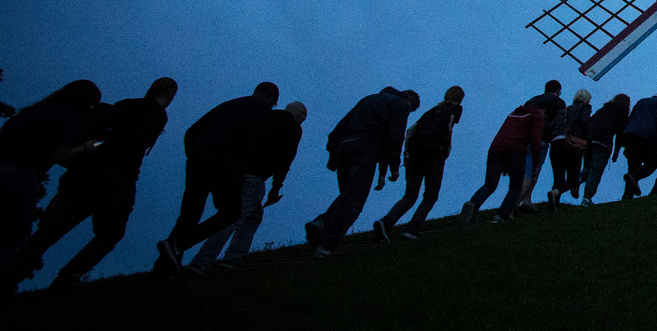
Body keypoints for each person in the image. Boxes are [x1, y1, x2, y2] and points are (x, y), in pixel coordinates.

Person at [158, 81, 278, 274]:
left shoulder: (228, 105)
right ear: (271, 98)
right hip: (225, 161)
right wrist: (239, 160)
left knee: (189, 215)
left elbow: (192, 131)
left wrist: (195, 153)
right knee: (231, 212)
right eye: (274, 104)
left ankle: (164, 269)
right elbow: (249, 133)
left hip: (198, 159)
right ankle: (178, 244)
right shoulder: (261, 107)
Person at [0, 80, 103, 290]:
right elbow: (61, 155)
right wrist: (86, 147)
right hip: (21, 177)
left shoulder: (29, 113)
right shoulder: (69, 115)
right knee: (10, 238)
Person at [188, 100, 305, 272]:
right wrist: (275, 188)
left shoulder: (263, 117)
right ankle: (201, 261)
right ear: (299, 115)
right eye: (304, 117)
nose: (303, 121)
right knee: (234, 217)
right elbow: (286, 159)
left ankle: (234, 257)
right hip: (254, 177)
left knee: (254, 216)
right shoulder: (292, 127)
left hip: (236, 171)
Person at [305, 86, 418, 256]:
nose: (408, 113)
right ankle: (327, 245)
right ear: (408, 101)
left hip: (344, 146)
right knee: (353, 202)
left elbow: (340, 126)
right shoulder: (400, 105)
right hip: (366, 148)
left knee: (347, 195)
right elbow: (394, 137)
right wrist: (394, 167)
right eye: (411, 109)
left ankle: (321, 222)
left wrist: (333, 155)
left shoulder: (367, 99)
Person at [378, 86, 463, 240]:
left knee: (410, 196)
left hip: (415, 156)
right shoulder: (455, 109)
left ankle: (387, 222)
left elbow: (410, 131)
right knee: (430, 196)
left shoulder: (430, 112)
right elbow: (449, 128)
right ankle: (412, 229)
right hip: (434, 157)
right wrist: (446, 150)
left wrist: (407, 155)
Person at [461, 99, 546, 224]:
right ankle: (501, 215)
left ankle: (472, 205)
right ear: (544, 110)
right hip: (516, 150)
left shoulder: (514, 113)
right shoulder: (538, 116)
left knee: (489, 184)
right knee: (516, 186)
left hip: (495, 148)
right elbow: (536, 142)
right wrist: (536, 164)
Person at [516, 81, 566, 210]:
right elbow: (559, 123)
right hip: (541, 139)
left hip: (523, 139)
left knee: (523, 170)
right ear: (558, 91)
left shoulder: (532, 100)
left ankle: (526, 199)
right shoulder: (559, 103)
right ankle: (512, 205)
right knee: (532, 171)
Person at [581, 93, 630, 205]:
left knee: (587, 168)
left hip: (589, 140)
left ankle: (570, 184)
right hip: (603, 142)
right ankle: (587, 198)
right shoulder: (622, 112)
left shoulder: (602, 109)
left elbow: (589, 122)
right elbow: (620, 132)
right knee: (596, 171)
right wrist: (616, 151)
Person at [547, 89, 592, 210]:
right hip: (572, 143)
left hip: (556, 142)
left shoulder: (563, 111)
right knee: (573, 178)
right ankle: (555, 193)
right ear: (587, 99)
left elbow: (551, 126)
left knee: (558, 177)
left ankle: (554, 205)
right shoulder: (585, 107)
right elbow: (584, 121)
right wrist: (588, 138)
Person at [620, 93, 657, 199]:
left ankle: (627, 195)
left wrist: (625, 142)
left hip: (631, 135)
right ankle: (635, 176)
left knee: (633, 165)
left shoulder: (641, 101)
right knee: (652, 163)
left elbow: (630, 119)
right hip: (647, 137)